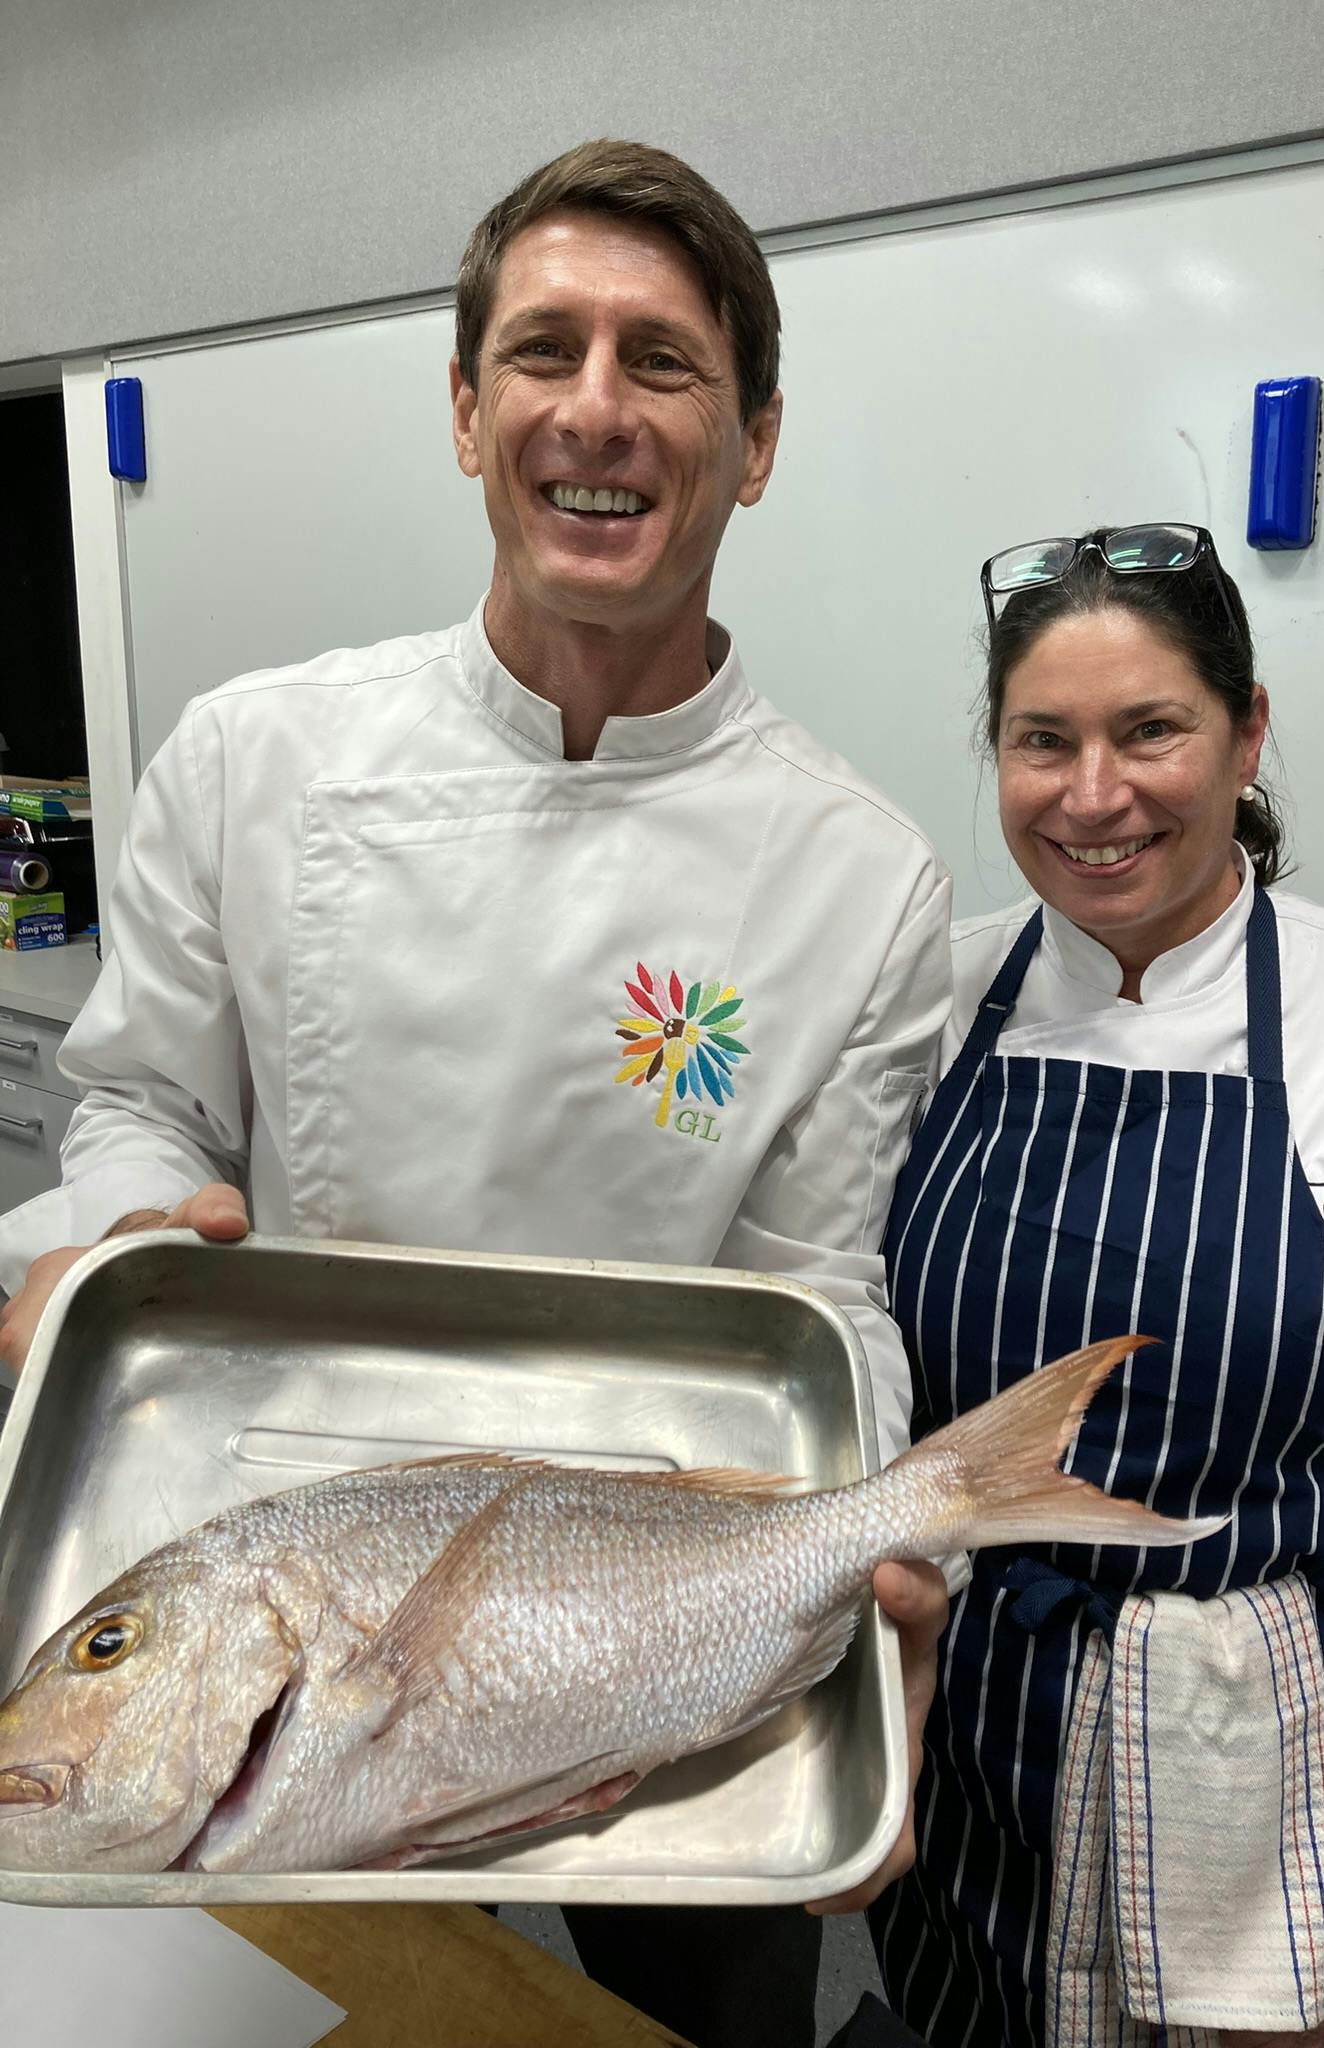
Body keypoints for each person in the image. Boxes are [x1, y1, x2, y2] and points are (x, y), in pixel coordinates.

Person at [0, 141, 953, 2048]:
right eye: (543, 350)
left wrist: (858, 1558)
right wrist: (108, 1238)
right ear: (465, 410)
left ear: (755, 441)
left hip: (646, 1615)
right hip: (278, 1596)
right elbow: (142, 1109)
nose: (593, 408)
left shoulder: (864, 875)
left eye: (664, 364)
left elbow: (819, 1289)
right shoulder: (251, 763)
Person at [868, 524, 1324, 2046]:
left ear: (1246, 735)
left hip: (1290, 1815)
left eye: (1149, 730)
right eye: (1044, 740)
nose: (1092, 794)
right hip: (971, 1781)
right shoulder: (925, 1018)